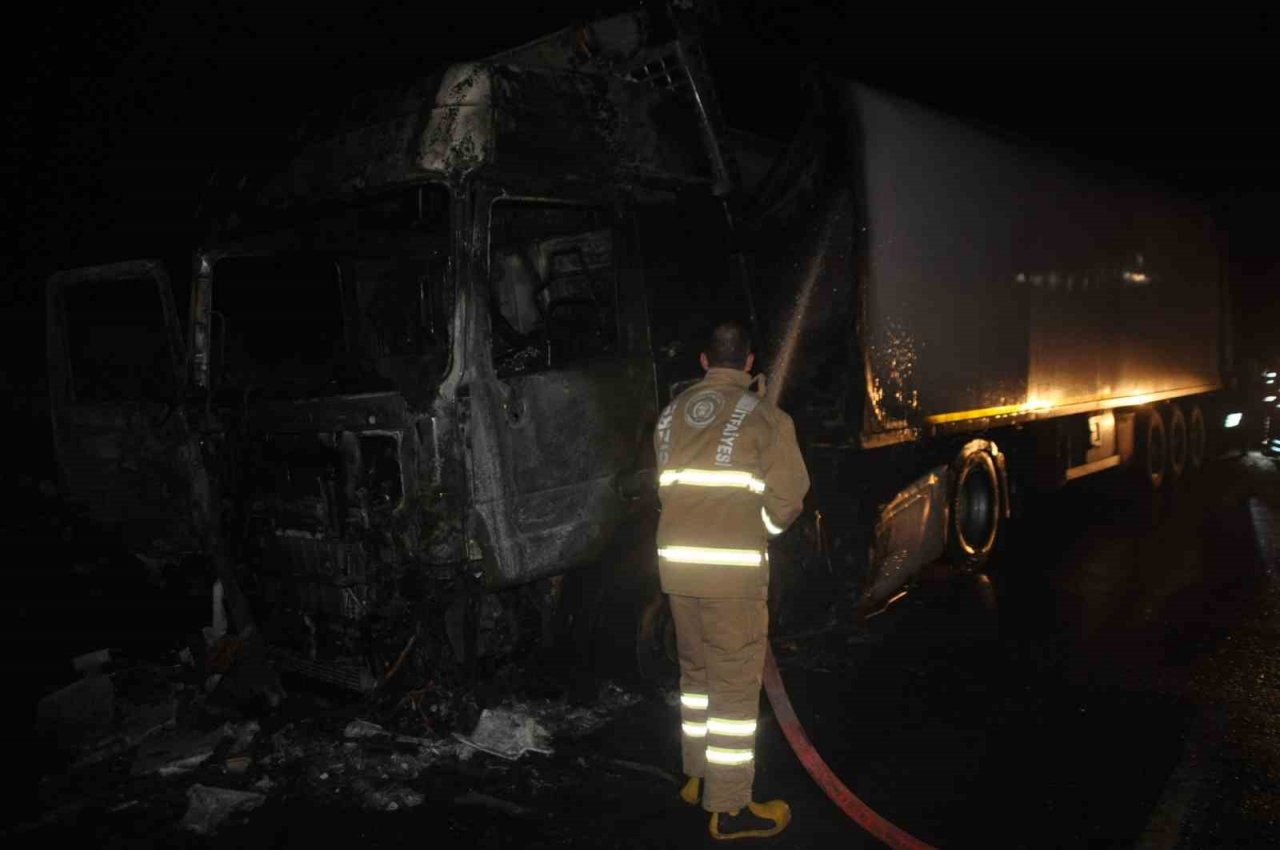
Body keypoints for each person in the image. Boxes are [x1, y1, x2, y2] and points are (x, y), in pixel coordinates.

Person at [654, 319, 810, 840]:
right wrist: (756, 530)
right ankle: (731, 809)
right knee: (735, 690)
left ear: (703, 360)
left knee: (695, 677)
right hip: (732, 575)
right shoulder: (765, 416)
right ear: (748, 363)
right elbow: (788, 500)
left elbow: (667, 486)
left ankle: (696, 779)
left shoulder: (672, 413)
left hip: (678, 569)